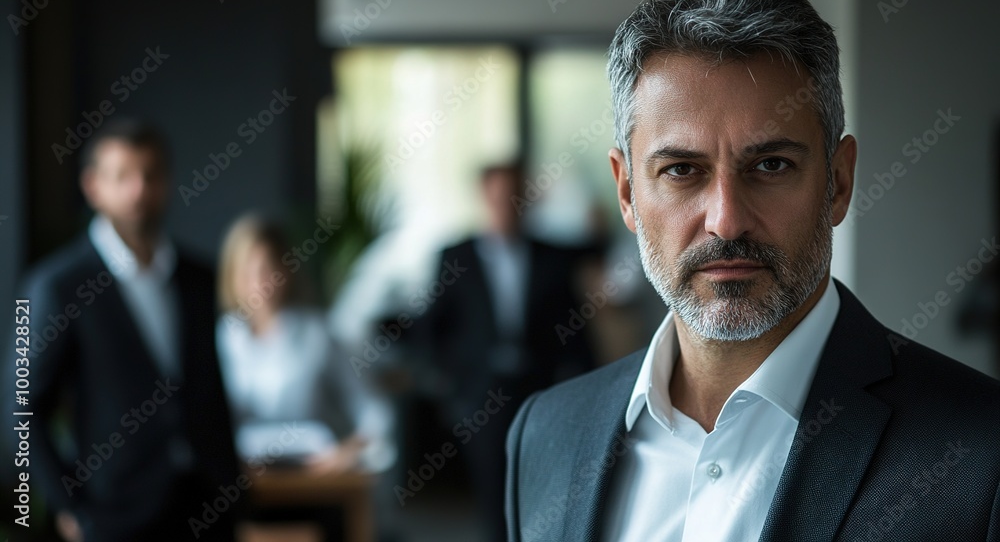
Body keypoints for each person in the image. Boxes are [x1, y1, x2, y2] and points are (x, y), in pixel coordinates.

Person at [504, 0, 1000, 541]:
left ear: (838, 181)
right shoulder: (544, 434)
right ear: (626, 193)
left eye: (770, 164)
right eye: (682, 170)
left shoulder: (982, 455)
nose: (726, 220)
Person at [13, 119, 240, 541]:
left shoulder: (199, 280)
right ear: (93, 186)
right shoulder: (53, 286)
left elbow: (211, 391)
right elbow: (22, 405)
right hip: (114, 513)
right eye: (122, 177)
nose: (138, 190)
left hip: (207, 506)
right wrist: (68, 506)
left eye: (150, 175)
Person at [419, 162, 598, 542]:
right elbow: (432, 329)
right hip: (480, 394)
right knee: (493, 494)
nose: (508, 204)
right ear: (484, 197)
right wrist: (451, 390)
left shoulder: (552, 256)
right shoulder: (457, 257)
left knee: (544, 488)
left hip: (540, 389)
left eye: (517, 195)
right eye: (500, 195)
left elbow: (575, 330)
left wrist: (591, 393)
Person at [214, 214, 396, 538]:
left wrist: (348, 453)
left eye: (268, 269)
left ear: (285, 271)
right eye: (248, 271)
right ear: (231, 276)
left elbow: (374, 411)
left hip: (314, 484)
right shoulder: (218, 341)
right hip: (241, 487)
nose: (259, 282)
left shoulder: (317, 335)